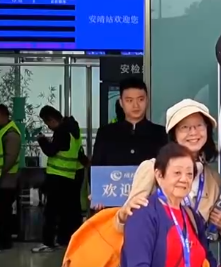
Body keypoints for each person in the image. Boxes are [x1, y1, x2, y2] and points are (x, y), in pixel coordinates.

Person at [116, 99, 221, 236]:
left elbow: (207, 235)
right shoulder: (152, 168)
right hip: (157, 249)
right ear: (174, 134)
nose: (193, 132)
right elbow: (126, 224)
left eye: (199, 125)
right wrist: (123, 215)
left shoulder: (214, 180)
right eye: (185, 127)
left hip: (192, 250)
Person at [120, 143, 217, 267]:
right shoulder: (143, 214)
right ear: (159, 175)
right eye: (177, 173)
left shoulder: (192, 216)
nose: (184, 179)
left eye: (189, 174)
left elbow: (208, 259)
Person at [32, 106, 83, 253]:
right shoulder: (73, 130)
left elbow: (51, 151)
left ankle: (48, 242)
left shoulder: (61, 132)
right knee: (69, 211)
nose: (48, 126)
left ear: (52, 119)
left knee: (51, 211)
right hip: (71, 175)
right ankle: (66, 240)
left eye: (47, 122)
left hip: (57, 176)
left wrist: (42, 140)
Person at [91, 77, 166, 169]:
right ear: (121, 102)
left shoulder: (161, 134)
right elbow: (96, 171)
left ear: (147, 100)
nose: (136, 105)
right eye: (129, 100)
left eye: (140, 99)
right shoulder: (105, 134)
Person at [0, 104, 21, 251]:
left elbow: (10, 158)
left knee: (3, 212)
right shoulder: (4, 131)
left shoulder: (11, 133)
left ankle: (5, 241)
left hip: (7, 180)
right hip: (4, 179)